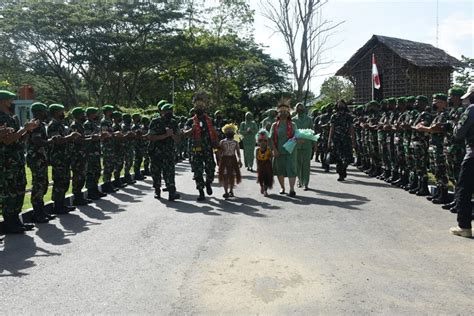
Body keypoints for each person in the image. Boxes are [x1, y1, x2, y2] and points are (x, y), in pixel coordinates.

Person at [0, 90, 39, 233]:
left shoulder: (12, 117)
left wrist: (27, 131)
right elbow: (8, 140)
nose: (12, 102)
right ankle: (10, 224)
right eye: (9, 99)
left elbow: (18, 139)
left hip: (17, 161)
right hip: (6, 164)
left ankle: (16, 221)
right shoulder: (1, 118)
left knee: (19, 190)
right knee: (9, 193)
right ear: (3, 101)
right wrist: (24, 129)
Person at [414, 94, 450, 204]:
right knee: (436, 171)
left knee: (441, 171)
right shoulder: (438, 115)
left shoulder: (445, 115)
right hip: (434, 146)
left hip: (440, 147)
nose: (434, 103)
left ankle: (443, 194)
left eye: (436, 101)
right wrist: (430, 129)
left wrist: (426, 128)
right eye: (433, 100)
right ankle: (439, 192)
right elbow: (431, 128)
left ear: (444, 103)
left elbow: (437, 129)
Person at [184, 91, 219, 201]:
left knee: (211, 170)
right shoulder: (190, 121)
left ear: (204, 107)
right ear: (194, 106)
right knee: (197, 171)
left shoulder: (210, 120)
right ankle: (201, 191)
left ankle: (208, 183)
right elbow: (184, 133)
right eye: (197, 105)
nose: (199, 107)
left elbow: (216, 133)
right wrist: (191, 129)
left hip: (208, 149)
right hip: (196, 149)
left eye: (201, 105)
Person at [449, 83, 474, 237]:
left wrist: (453, 126)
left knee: (463, 190)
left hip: (472, 156)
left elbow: (459, 132)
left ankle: (464, 227)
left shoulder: (471, 109)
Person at [27, 102, 56, 223]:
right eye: (44, 111)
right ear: (39, 112)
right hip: (36, 159)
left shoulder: (39, 124)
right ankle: (37, 213)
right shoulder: (36, 125)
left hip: (40, 158)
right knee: (38, 185)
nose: (46, 113)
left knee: (43, 184)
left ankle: (41, 211)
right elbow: (37, 141)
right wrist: (50, 141)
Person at [47, 104, 79, 214]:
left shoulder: (60, 124)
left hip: (64, 157)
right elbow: (57, 140)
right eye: (61, 111)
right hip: (58, 158)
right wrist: (70, 137)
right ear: (56, 112)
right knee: (59, 181)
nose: (63, 113)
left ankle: (62, 204)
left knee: (65, 181)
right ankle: (57, 205)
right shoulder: (54, 125)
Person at [148, 103, 181, 201]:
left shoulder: (174, 122)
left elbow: (178, 138)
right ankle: (157, 190)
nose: (169, 112)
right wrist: (165, 135)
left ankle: (172, 192)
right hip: (156, 152)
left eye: (170, 110)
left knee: (170, 172)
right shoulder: (155, 121)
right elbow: (151, 137)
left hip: (169, 152)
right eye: (166, 111)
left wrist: (172, 135)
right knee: (156, 172)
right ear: (161, 112)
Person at [270, 98, 297, 197]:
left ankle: (292, 189)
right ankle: (282, 187)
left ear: (289, 113)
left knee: (291, 170)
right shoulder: (274, 125)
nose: (283, 113)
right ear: (278, 113)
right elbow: (271, 139)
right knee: (279, 170)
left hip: (290, 151)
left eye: (286, 112)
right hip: (279, 151)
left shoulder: (293, 125)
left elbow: (296, 136)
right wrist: (275, 150)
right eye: (281, 112)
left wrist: (299, 139)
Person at [328, 100, 356, 181]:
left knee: (348, 157)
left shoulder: (349, 116)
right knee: (338, 158)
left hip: (346, 139)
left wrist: (354, 141)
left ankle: (344, 169)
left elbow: (351, 129)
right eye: (339, 104)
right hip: (336, 139)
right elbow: (331, 129)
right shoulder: (334, 116)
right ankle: (340, 174)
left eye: (342, 104)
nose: (340, 106)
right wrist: (329, 141)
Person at [69, 107, 92, 206]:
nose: (84, 116)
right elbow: (77, 140)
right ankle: (77, 197)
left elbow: (81, 138)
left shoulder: (80, 125)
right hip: (76, 155)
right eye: (82, 114)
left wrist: (91, 137)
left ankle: (79, 196)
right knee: (77, 177)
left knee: (81, 176)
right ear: (78, 115)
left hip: (81, 154)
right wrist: (91, 139)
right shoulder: (74, 126)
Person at [83, 107, 107, 200]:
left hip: (96, 151)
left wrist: (101, 136)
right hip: (90, 152)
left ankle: (95, 189)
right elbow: (88, 137)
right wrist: (100, 136)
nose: (96, 115)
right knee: (90, 172)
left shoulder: (94, 124)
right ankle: (90, 192)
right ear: (91, 114)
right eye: (95, 113)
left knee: (97, 171)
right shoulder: (87, 124)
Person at [218, 124, 242, 198]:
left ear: (234, 132)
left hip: (233, 159)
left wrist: (239, 159)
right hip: (224, 160)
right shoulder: (222, 142)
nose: (230, 132)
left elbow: (238, 151)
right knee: (225, 176)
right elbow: (219, 152)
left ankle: (231, 190)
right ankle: (226, 192)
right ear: (225, 132)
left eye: (231, 130)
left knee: (232, 176)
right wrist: (219, 161)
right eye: (228, 131)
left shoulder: (236, 142)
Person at [293, 102, 313, 190]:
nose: (300, 109)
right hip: (297, 144)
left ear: (304, 109)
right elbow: (291, 132)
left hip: (307, 144)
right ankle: (299, 180)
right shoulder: (293, 120)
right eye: (298, 108)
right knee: (298, 164)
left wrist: (314, 145)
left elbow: (312, 132)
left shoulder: (309, 119)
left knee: (306, 165)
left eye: (301, 108)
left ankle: (306, 183)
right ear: (296, 109)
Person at [100, 105, 118, 193]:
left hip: (111, 146)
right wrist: (114, 134)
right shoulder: (104, 122)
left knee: (111, 166)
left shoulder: (109, 121)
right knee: (107, 166)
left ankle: (109, 183)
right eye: (110, 111)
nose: (112, 113)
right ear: (107, 112)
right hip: (107, 147)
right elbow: (105, 134)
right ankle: (106, 184)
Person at [255, 129, 273, 196]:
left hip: (267, 166)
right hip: (260, 166)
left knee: (267, 178)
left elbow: (271, 158)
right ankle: (261, 186)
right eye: (260, 141)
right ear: (258, 141)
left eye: (265, 141)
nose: (262, 142)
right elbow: (256, 159)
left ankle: (265, 190)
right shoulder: (257, 150)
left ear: (267, 141)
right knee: (260, 178)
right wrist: (257, 167)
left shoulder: (269, 149)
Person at [122, 113, 137, 185]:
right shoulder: (124, 126)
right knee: (127, 162)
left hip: (130, 146)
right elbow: (123, 136)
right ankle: (126, 176)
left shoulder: (129, 126)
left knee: (130, 161)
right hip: (126, 146)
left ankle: (127, 175)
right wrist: (128, 134)